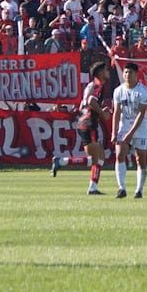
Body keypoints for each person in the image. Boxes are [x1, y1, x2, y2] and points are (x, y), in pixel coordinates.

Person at [51, 62, 111, 195]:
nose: (108, 72)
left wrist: (99, 111)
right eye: (106, 69)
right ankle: (61, 161)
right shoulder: (98, 85)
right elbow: (90, 101)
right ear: (100, 73)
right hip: (89, 123)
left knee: (99, 157)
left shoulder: (90, 85)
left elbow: (83, 105)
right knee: (96, 158)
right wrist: (101, 112)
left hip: (84, 122)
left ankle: (92, 186)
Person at [111, 63, 147, 199]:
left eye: (130, 73)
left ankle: (139, 190)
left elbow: (141, 114)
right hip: (124, 125)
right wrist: (114, 132)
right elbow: (116, 112)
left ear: (136, 74)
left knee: (140, 159)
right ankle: (121, 188)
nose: (127, 75)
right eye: (125, 72)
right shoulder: (118, 91)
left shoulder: (143, 92)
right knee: (120, 154)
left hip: (140, 127)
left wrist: (131, 133)